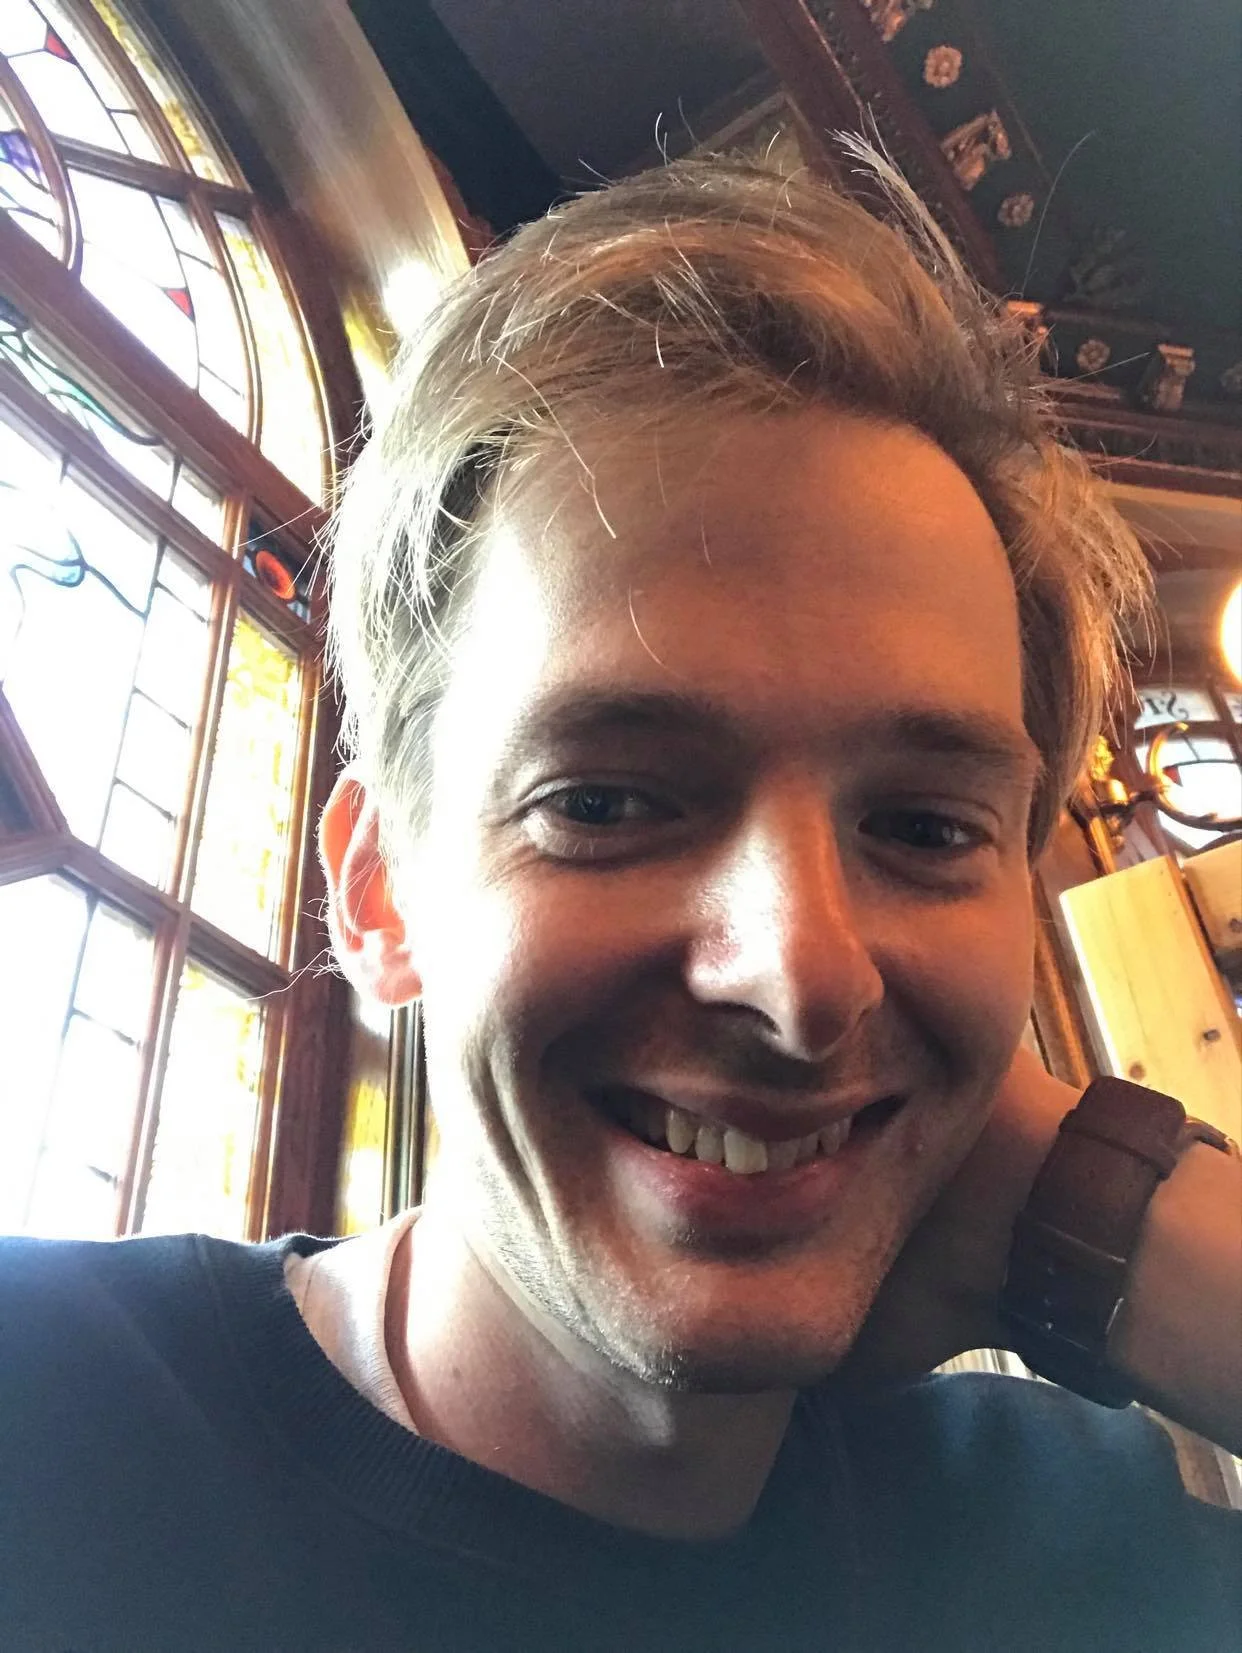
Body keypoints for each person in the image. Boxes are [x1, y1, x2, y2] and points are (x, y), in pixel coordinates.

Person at [2, 155, 1239, 1652]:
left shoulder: (1095, 1545)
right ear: (383, 891)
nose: (800, 975)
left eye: (921, 826)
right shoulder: (43, 1422)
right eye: (600, 803)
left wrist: (1111, 1225)